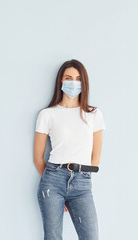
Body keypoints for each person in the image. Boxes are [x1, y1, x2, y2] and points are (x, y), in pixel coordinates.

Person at [33, 59, 105, 240]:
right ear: (61, 81)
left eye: (78, 78)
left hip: (82, 182)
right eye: (68, 77)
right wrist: (58, 185)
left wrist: (77, 182)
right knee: (53, 237)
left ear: (84, 82)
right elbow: (37, 157)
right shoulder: (47, 114)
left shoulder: (94, 114)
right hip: (53, 180)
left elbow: (95, 157)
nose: (74, 82)